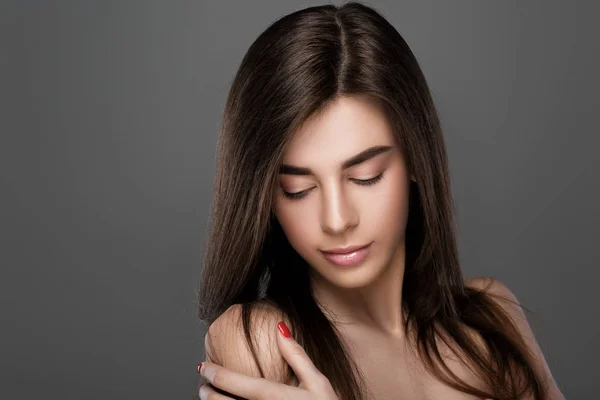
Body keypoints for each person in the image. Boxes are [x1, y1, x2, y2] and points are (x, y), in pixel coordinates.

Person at [195, 2, 564, 399]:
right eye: (297, 189)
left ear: (416, 159)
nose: (337, 220)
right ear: (265, 198)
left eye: (365, 177)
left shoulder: (493, 320)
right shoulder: (265, 342)